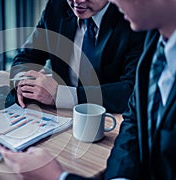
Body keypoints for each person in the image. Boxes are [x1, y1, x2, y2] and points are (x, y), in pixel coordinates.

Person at [0, 0, 176, 180]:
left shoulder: (137, 23)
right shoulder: (57, 7)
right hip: (64, 129)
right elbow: (135, 115)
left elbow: (128, 91)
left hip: (101, 130)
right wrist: (25, 83)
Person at [10, 0, 146, 113]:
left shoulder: (133, 20)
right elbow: (25, 57)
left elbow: (132, 90)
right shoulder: (57, 6)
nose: (77, 1)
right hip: (56, 115)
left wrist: (62, 95)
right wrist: (24, 84)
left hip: (108, 120)